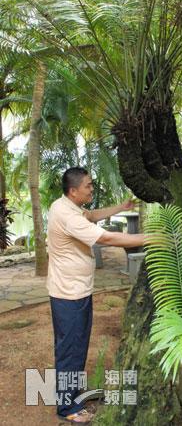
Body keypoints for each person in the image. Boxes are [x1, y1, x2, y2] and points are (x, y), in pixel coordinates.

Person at [46, 167, 146, 424]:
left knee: (76, 348)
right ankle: (67, 408)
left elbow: (92, 216)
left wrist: (121, 207)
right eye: (88, 186)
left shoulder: (68, 207)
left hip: (75, 291)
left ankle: (72, 393)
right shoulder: (67, 215)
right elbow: (108, 238)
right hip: (69, 295)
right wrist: (153, 238)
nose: (92, 188)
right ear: (73, 190)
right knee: (70, 349)